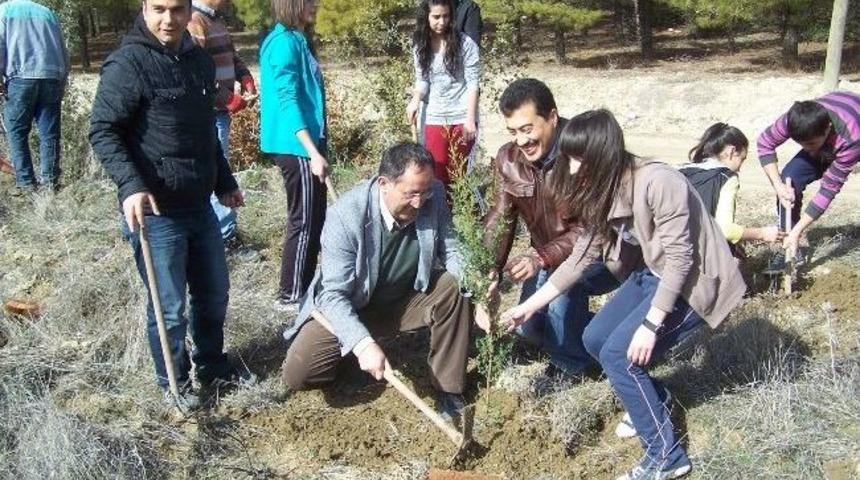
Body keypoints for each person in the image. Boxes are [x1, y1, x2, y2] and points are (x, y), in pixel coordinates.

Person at [503, 110, 746, 480]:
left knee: (621, 356)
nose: (569, 169)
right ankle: (654, 400)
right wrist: (528, 307)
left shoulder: (658, 181)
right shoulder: (601, 188)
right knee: (595, 338)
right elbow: (580, 258)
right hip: (653, 273)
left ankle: (665, 455)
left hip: (695, 284)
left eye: (576, 159)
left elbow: (682, 261)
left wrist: (650, 325)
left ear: (602, 154)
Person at [89, 0, 246, 410]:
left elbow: (205, 133)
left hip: (199, 205)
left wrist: (224, 181)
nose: (168, 19)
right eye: (159, 8)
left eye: (177, 9)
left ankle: (212, 365)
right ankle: (174, 385)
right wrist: (130, 185)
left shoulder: (197, 61)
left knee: (214, 293)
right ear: (144, 7)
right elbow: (104, 130)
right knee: (170, 309)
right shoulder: (128, 64)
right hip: (156, 212)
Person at [281, 142, 483, 420]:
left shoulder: (432, 194)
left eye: (425, 192)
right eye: (411, 193)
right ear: (384, 183)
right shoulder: (345, 216)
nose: (420, 202)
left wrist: (476, 288)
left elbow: (452, 249)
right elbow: (332, 296)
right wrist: (362, 344)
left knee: (454, 287)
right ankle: (356, 351)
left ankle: (449, 388)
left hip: (403, 299)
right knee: (300, 373)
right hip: (352, 306)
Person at [480, 78, 621, 378]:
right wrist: (489, 270)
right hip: (547, 255)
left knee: (562, 297)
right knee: (530, 329)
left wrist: (539, 259)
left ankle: (572, 367)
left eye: (527, 129)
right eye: (513, 132)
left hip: (601, 254)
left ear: (553, 118)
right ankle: (600, 329)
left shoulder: (583, 152)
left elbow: (590, 230)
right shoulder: (508, 159)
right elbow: (500, 216)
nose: (520, 141)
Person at [260, 0, 328, 313]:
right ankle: (290, 295)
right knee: (303, 221)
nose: (316, 5)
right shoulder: (283, 44)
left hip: (309, 144)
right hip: (297, 147)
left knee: (315, 218)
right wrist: (312, 151)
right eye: (309, 1)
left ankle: (307, 287)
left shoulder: (297, 39)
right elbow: (287, 102)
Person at [758, 91, 860, 262]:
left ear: (827, 129)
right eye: (800, 144)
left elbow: (829, 189)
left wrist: (799, 230)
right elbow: (764, 143)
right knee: (790, 178)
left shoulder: (851, 138)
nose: (806, 149)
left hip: (853, 125)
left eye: (811, 143)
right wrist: (778, 186)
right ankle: (789, 245)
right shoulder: (793, 119)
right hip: (832, 123)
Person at [188, 0, 257, 247]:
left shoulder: (215, 19)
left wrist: (245, 76)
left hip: (219, 112)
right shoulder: (194, 21)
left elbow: (231, 55)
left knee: (220, 169)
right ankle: (225, 238)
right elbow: (196, 71)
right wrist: (227, 98)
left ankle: (220, 236)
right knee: (218, 172)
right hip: (208, 114)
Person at [406, 0, 480, 189]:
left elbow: (473, 83)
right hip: (434, 117)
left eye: (446, 16)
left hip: (462, 117)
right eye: (436, 17)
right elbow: (422, 80)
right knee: (436, 176)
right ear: (426, 17)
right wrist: (415, 100)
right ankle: (441, 217)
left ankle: (463, 216)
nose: (441, 22)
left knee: (460, 175)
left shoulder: (466, 44)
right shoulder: (420, 46)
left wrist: (470, 119)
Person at [0, 0, 69, 194]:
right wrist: (62, 78)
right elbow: (62, 49)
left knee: (16, 131)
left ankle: (26, 183)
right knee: (50, 133)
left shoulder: (4, 11)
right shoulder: (47, 12)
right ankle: (50, 183)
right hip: (52, 75)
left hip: (20, 77)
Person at [679, 123, 784, 249]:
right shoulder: (726, 177)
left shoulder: (681, 170)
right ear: (732, 151)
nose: (739, 168)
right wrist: (762, 233)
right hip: (690, 254)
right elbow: (725, 230)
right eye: (742, 159)